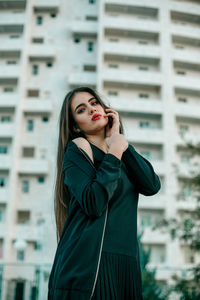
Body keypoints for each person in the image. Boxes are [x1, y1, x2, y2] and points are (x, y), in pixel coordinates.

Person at [48, 86, 161, 300]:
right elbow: (94, 202)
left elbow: (152, 185)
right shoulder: (78, 148)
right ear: (76, 127)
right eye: (81, 109)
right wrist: (115, 152)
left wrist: (118, 142)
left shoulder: (120, 152)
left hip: (126, 262)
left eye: (94, 102)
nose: (91, 109)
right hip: (90, 264)